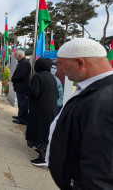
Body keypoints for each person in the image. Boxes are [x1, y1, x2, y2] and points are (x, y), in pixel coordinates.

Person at [46, 38, 113, 189]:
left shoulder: (104, 102)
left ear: (80, 63)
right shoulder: (94, 89)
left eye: (61, 64)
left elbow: (99, 176)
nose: (59, 69)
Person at [25, 58, 58, 166]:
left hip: (39, 109)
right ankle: (43, 152)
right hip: (50, 109)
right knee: (45, 131)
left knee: (38, 131)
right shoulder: (52, 77)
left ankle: (43, 157)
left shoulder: (37, 77)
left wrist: (27, 94)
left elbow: (34, 92)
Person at [11, 50, 31, 125]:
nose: (15, 57)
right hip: (20, 87)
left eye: (15, 55)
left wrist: (13, 79)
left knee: (23, 104)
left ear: (19, 56)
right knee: (20, 103)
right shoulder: (22, 62)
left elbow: (22, 75)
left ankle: (23, 119)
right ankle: (20, 116)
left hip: (22, 87)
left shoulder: (25, 63)